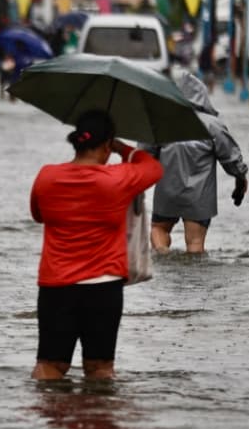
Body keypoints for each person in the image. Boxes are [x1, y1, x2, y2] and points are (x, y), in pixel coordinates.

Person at [28, 110, 162, 380]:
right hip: (104, 288)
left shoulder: (47, 177)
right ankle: (97, 419)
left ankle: (47, 422)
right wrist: (123, 148)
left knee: (49, 367)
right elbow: (153, 167)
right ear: (105, 146)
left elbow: (38, 215)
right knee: (100, 369)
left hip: (56, 287)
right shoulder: (118, 178)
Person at [143, 72, 249, 254]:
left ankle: (162, 254)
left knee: (158, 229)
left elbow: (144, 155)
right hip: (199, 198)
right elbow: (231, 159)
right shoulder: (213, 126)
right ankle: (192, 278)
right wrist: (240, 180)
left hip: (167, 193)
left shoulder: (161, 123)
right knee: (195, 243)